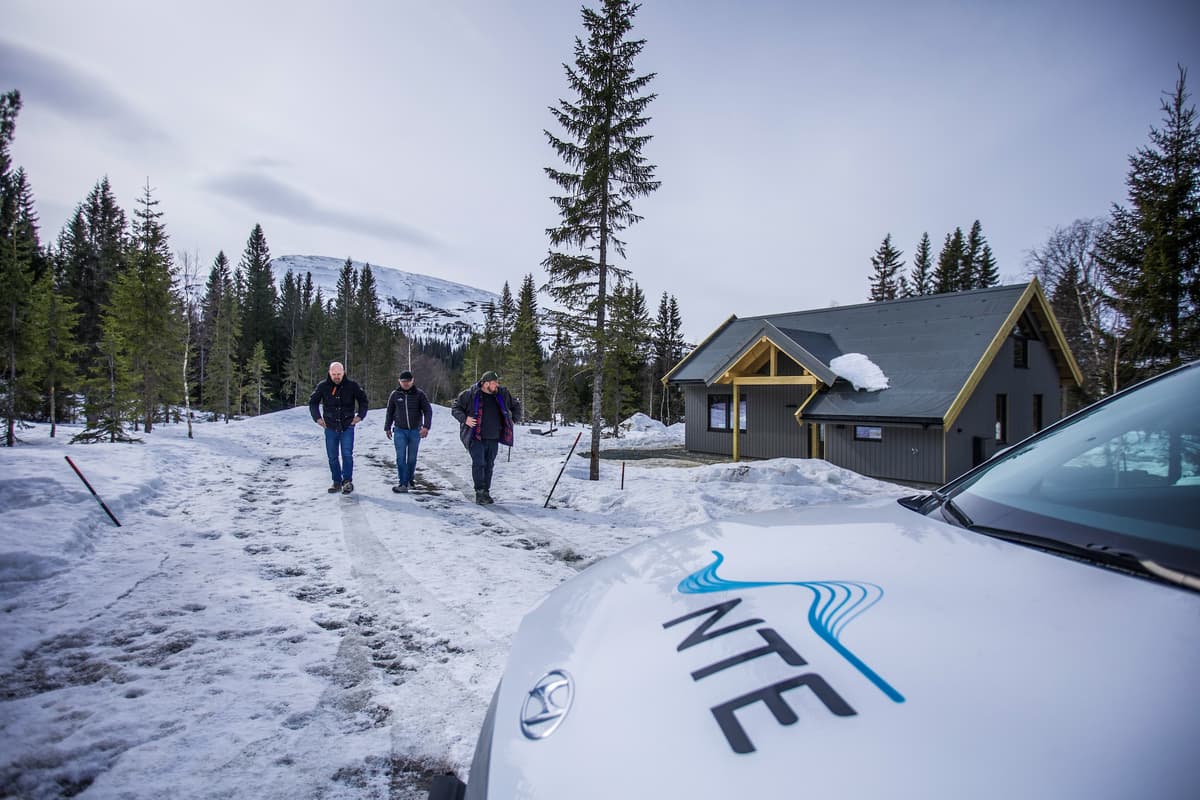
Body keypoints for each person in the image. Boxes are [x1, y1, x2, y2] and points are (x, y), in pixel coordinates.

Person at [451, 370, 522, 504]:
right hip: (475, 436)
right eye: (494, 383)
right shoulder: (470, 394)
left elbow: (516, 406)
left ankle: (486, 492)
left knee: (489, 465)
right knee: (479, 464)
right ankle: (479, 492)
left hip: (494, 436)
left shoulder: (502, 394)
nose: (497, 385)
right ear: (485, 383)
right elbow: (455, 408)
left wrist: (514, 420)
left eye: (497, 382)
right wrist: (465, 419)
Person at [308, 361, 369, 494]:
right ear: (329, 373)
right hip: (330, 426)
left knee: (347, 454)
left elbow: (363, 401)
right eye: (334, 374)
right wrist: (317, 418)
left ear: (343, 373)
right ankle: (336, 481)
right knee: (332, 456)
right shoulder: (323, 386)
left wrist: (360, 416)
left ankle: (347, 481)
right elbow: (313, 402)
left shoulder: (352, 385)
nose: (336, 376)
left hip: (347, 425)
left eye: (339, 374)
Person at [384, 369, 433, 493]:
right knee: (400, 457)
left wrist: (426, 427)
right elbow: (389, 412)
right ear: (399, 381)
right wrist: (387, 427)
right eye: (403, 381)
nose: (406, 383)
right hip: (400, 430)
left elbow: (427, 411)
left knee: (411, 458)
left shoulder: (419, 394)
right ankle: (403, 483)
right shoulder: (395, 395)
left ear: (412, 381)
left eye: (408, 381)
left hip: (415, 431)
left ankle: (410, 479)